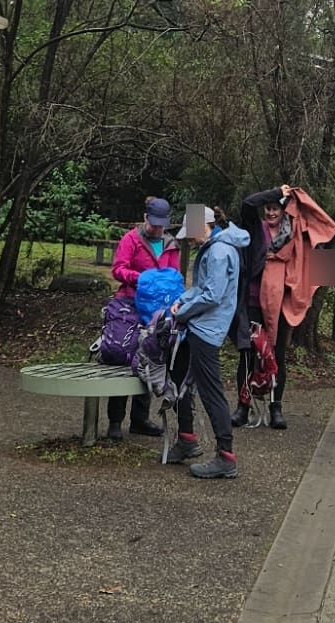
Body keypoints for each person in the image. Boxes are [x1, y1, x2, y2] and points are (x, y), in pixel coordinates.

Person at [166, 205, 250, 480]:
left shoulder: (219, 252)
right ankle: (187, 438)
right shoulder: (213, 246)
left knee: (211, 392)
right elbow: (201, 288)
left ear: (205, 226)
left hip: (207, 330)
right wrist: (182, 301)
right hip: (199, 325)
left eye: (191, 233)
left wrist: (183, 311)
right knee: (180, 379)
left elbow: (212, 295)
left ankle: (226, 456)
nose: (189, 239)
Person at [106, 195, 181, 443]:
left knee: (149, 358)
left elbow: (174, 274)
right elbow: (118, 269)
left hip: (156, 310)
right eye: (154, 224)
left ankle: (140, 419)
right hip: (129, 304)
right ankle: (115, 420)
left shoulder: (171, 244)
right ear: (145, 217)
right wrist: (141, 279)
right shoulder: (131, 239)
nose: (157, 229)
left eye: (162, 225)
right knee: (123, 357)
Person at [232, 183, 294, 431]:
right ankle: (242, 406)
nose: (271, 212)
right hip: (253, 302)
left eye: (275, 208)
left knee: (277, 355)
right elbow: (248, 204)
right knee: (248, 354)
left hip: (280, 305)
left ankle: (275, 407)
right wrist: (278, 193)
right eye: (267, 208)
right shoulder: (256, 229)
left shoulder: (292, 233)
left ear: (284, 211)